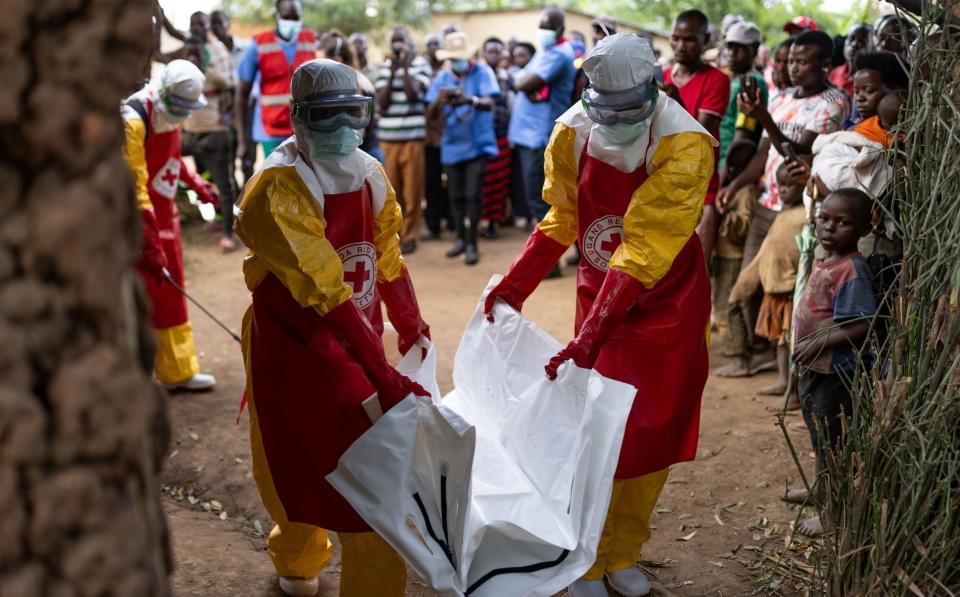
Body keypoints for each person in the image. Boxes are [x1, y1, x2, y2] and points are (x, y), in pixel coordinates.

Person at [485, 34, 714, 597]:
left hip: (667, 305)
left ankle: (622, 552)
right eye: (604, 109)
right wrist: (514, 288)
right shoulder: (571, 132)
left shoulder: (685, 144)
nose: (616, 120)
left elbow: (644, 248)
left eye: (629, 109)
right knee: (595, 435)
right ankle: (583, 558)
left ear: (654, 91)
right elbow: (562, 215)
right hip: (599, 301)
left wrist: (589, 338)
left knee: (651, 431)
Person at [234, 59, 431, 597]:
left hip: (357, 343)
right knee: (292, 460)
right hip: (292, 348)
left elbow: (386, 253)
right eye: (328, 116)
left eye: (354, 113)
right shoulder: (275, 188)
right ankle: (298, 561)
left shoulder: (369, 171)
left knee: (374, 478)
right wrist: (383, 374)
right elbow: (324, 286)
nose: (345, 128)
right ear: (296, 118)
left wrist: (410, 320)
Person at [716, 30, 849, 378]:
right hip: (766, 202)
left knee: (784, 289)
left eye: (803, 61)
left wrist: (763, 117)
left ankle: (788, 367)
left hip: (798, 206)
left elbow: (797, 150)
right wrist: (736, 184)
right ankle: (751, 354)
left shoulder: (834, 102)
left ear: (824, 64)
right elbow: (764, 153)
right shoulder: (779, 98)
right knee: (749, 283)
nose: (794, 67)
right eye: (791, 60)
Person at [121, 60, 219, 392]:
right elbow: (135, 188)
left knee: (169, 295)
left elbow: (172, 160)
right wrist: (149, 242)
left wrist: (196, 184)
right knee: (138, 297)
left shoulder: (167, 113)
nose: (182, 115)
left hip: (165, 218)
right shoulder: (134, 121)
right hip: (138, 224)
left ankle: (176, 369)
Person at [792, 187, 876, 536]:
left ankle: (833, 514)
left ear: (865, 228)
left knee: (832, 441)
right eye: (825, 218)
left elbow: (862, 322)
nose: (829, 228)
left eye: (842, 222)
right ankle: (820, 488)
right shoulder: (828, 259)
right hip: (815, 368)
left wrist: (817, 341)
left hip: (835, 374)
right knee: (818, 436)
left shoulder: (852, 270)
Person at [729, 161, 806, 400]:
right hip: (774, 290)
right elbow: (766, 252)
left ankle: (792, 391)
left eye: (790, 185)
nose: (783, 190)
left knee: (793, 343)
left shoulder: (805, 216)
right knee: (781, 342)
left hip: (790, 289)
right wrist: (748, 279)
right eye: (780, 185)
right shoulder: (783, 215)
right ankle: (783, 381)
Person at [507, 6, 576, 269]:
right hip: (530, 136)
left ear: (560, 30)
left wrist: (522, 82)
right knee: (546, 199)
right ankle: (564, 256)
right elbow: (527, 81)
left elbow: (524, 83)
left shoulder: (558, 54)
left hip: (540, 137)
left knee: (541, 201)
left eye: (548, 27)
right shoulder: (547, 52)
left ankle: (548, 264)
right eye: (541, 26)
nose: (543, 32)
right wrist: (525, 81)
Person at [662, 9, 731, 263]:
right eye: (676, 38)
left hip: (700, 189)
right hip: (660, 184)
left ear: (705, 41)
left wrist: (674, 101)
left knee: (695, 269)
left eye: (690, 39)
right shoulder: (665, 76)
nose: (681, 46)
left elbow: (698, 136)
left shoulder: (717, 80)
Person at [426, 32, 500, 265]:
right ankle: (459, 238)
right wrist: (438, 101)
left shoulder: (482, 72)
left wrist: (470, 100)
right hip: (451, 145)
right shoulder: (441, 78)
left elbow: (490, 103)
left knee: (472, 195)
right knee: (455, 195)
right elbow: (429, 115)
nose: (457, 61)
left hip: (478, 144)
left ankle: (472, 244)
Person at [180, 16, 240, 253]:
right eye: (192, 25)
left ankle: (229, 232)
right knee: (205, 178)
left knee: (224, 184)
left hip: (215, 131)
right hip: (192, 131)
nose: (197, 29)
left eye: (201, 25)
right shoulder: (186, 58)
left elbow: (230, 84)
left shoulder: (216, 56)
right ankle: (216, 218)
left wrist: (204, 71)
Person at [235, 0, 316, 162]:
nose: (292, 22)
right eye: (287, 17)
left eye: (296, 17)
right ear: (276, 16)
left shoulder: (310, 41)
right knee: (279, 181)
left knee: (306, 182)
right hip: (271, 129)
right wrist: (242, 140)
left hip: (305, 128)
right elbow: (242, 94)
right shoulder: (258, 45)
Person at [376, 26, 433, 255]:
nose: (398, 46)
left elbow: (413, 95)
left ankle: (410, 235)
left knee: (413, 192)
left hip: (412, 139)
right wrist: (393, 72)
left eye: (403, 42)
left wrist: (406, 69)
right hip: (388, 140)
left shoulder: (421, 66)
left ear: (410, 45)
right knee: (392, 192)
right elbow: (383, 101)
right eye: (395, 42)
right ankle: (393, 236)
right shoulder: (384, 68)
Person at [713, 139, 758, 357]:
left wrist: (723, 216)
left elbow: (745, 224)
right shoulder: (729, 189)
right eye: (729, 165)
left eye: (739, 167)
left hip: (734, 257)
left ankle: (738, 355)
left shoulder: (747, 191)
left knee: (726, 305)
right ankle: (734, 348)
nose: (732, 171)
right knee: (720, 303)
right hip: (723, 255)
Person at [320, 31, 384, 164]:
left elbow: (355, 135)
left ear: (338, 59)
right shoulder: (351, 79)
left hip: (363, 158)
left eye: (322, 62)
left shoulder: (353, 84)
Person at [719, 21, 768, 171]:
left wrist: (724, 173)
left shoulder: (752, 83)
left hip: (727, 165)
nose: (732, 54)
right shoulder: (732, 78)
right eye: (730, 47)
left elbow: (743, 136)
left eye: (740, 48)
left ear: (754, 49)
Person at [479, 36, 514, 239]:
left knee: (499, 182)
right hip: (481, 137)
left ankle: (494, 223)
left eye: (497, 51)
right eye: (490, 51)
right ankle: (479, 221)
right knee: (482, 181)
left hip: (501, 135)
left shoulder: (506, 77)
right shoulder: (478, 74)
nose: (493, 54)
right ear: (484, 53)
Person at [423, 32, 451, 240]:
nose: (433, 47)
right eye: (430, 44)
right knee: (432, 181)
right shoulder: (422, 69)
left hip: (450, 136)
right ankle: (433, 225)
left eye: (437, 44)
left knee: (451, 181)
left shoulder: (450, 72)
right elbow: (427, 109)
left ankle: (452, 222)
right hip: (430, 137)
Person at [850, 51, 910, 126]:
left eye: (869, 91)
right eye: (856, 92)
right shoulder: (855, 130)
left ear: (895, 90)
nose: (859, 98)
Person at [829, 23, 874, 100]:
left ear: (872, 45)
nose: (854, 44)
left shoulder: (872, 79)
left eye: (862, 41)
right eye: (851, 38)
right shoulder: (835, 72)